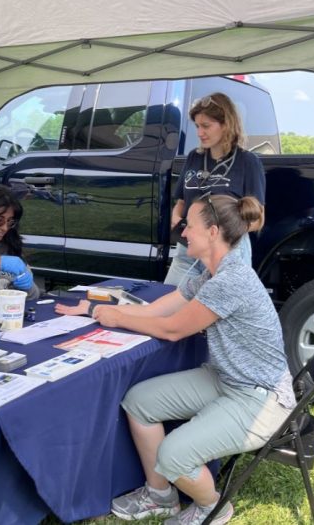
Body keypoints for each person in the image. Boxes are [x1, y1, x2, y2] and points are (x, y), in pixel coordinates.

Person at [93, 194, 295, 525]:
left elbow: (172, 329)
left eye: (190, 225)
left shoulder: (231, 280)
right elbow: (168, 303)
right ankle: (160, 496)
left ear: (213, 231)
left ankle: (212, 507)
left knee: (173, 455)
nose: (183, 232)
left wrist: (117, 319)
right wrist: (106, 311)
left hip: (260, 399)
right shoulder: (212, 272)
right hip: (227, 380)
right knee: (139, 402)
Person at [164, 92, 266, 286]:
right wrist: (176, 218)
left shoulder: (247, 161)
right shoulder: (194, 157)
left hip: (227, 252)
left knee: (218, 312)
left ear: (226, 125)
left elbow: (258, 220)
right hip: (188, 249)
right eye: (197, 126)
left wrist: (221, 235)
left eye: (206, 126)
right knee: (169, 300)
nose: (199, 133)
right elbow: (181, 202)